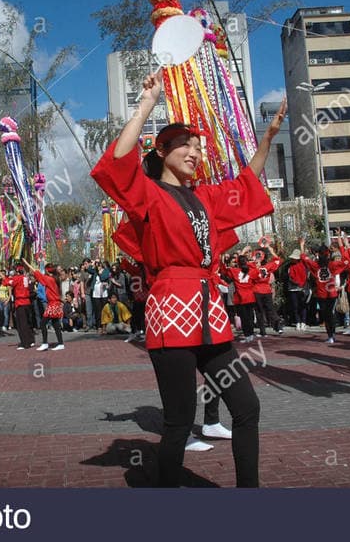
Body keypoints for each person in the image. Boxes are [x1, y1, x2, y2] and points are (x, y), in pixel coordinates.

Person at [91, 71, 284, 487]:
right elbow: (117, 163)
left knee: (247, 407)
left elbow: (245, 186)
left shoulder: (206, 197)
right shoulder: (147, 193)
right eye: (186, 145)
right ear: (162, 151)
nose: (196, 153)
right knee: (179, 421)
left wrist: (267, 139)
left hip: (210, 314)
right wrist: (147, 103)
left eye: (199, 147)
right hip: (171, 312)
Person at [300, 238, 349, 344]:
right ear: (328, 254)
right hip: (331, 292)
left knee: (326, 315)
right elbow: (346, 261)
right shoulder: (332, 265)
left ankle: (330, 335)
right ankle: (333, 333)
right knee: (330, 313)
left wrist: (302, 245)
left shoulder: (315, 265)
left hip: (322, 293)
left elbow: (304, 258)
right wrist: (342, 245)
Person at [23, 260, 65, 351]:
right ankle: (60, 343)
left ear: (48, 271)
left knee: (43, 323)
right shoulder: (55, 279)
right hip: (55, 303)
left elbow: (37, 273)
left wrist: (27, 264)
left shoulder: (49, 279)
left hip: (53, 304)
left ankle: (45, 343)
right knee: (56, 324)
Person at [2, 265, 35, 349]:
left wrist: (3, 276)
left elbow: (7, 283)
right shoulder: (26, 278)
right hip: (27, 302)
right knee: (28, 323)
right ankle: (31, 340)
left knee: (21, 324)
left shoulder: (17, 278)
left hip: (20, 302)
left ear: (17, 272)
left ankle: (25, 343)